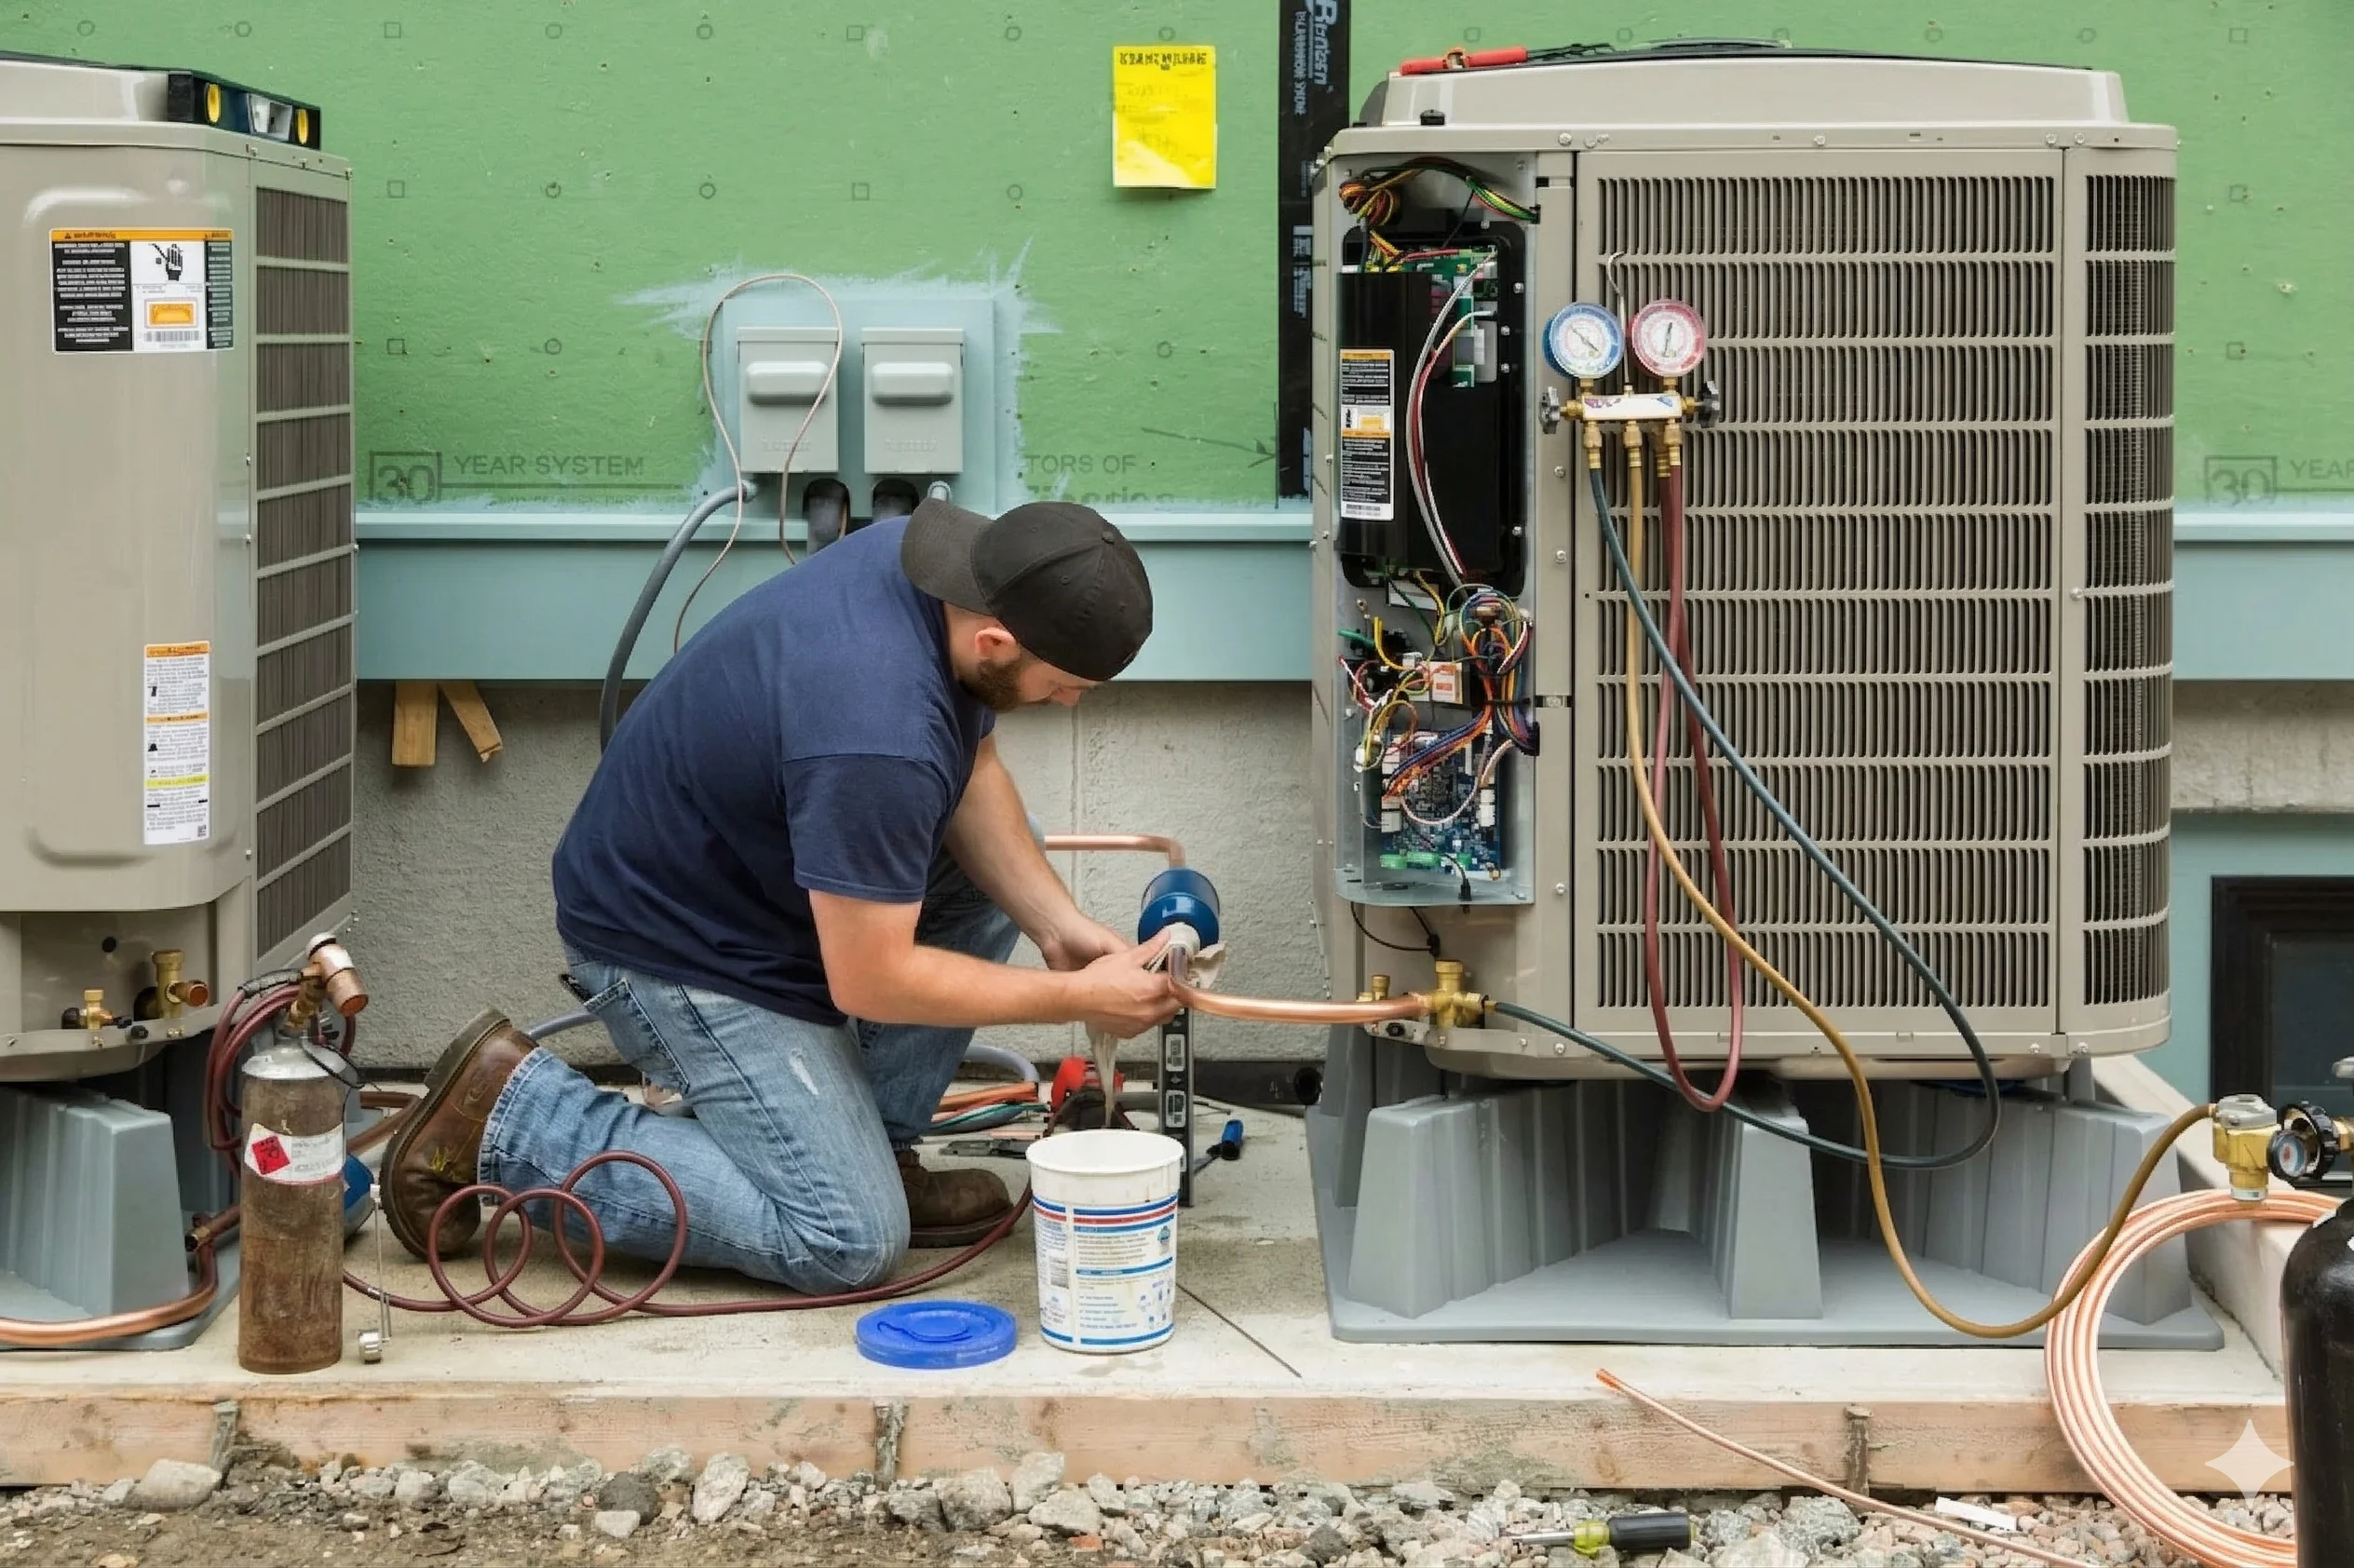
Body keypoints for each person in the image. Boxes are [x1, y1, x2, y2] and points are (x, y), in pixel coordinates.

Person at [378, 497, 1180, 1291]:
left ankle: (869, 1150)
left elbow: (972, 770)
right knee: (847, 1240)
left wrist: (1057, 927)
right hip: (677, 946)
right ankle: (514, 1119)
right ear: (995, 642)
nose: (1069, 700)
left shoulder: (943, 567)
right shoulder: (879, 730)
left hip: (754, 884)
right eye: (1064, 684)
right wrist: (1075, 996)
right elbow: (874, 980)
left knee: (1008, 856)